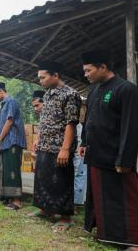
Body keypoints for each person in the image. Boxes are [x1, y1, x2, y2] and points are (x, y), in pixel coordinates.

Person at [79, 50, 138, 250]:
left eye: (88, 70)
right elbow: (88, 120)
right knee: (101, 198)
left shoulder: (126, 90)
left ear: (103, 67)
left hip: (116, 157)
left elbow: (131, 127)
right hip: (96, 154)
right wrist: (83, 143)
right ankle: (108, 235)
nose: (86, 74)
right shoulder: (94, 92)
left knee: (126, 199)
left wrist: (125, 160)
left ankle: (134, 243)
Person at [30, 61, 81, 232]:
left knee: (61, 180)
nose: (40, 81)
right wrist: (37, 138)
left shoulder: (71, 94)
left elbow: (71, 123)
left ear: (55, 75)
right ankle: (45, 210)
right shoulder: (47, 94)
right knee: (43, 178)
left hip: (59, 146)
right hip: (44, 144)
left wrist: (65, 149)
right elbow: (43, 120)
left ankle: (65, 217)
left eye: (43, 77)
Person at [0, 82, 27, 210]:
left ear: (0, 91)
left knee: (13, 171)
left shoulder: (11, 101)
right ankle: (10, 198)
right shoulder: (4, 104)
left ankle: (17, 201)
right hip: (7, 143)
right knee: (7, 171)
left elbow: (9, 122)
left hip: (13, 141)